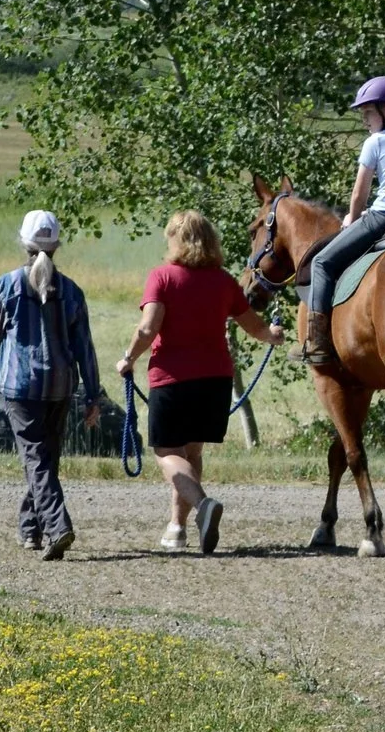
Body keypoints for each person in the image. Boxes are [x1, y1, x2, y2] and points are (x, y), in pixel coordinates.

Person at [115, 211, 285, 555]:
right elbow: (253, 325)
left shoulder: (162, 277)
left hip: (173, 379)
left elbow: (148, 328)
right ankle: (177, 529)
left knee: (166, 451)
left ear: (177, 241)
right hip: (215, 382)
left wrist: (128, 359)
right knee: (191, 453)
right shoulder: (224, 281)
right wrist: (272, 335)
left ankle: (204, 506)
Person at [0, 211, 104, 560]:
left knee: (37, 461)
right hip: (59, 386)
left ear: (24, 243)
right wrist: (92, 394)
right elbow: (84, 347)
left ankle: (57, 528)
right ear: (56, 246)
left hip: (21, 386)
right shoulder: (72, 291)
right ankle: (31, 529)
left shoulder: (7, 285)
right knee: (44, 459)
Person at [302, 76, 385, 371]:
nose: (365, 121)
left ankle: (317, 343)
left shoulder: (375, 142)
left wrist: (351, 219)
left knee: (323, 262)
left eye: (368, 113)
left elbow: (359, 193)